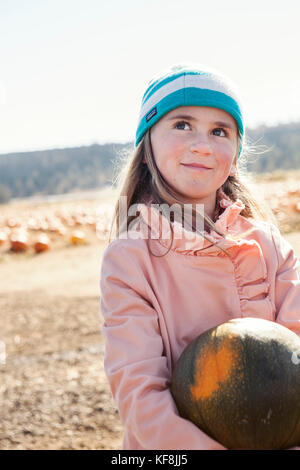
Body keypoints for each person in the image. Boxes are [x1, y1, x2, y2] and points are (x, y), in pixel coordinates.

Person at [99, 63, 300, 450]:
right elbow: (139, 395)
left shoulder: (270, 246)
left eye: (219, 131)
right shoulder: (129, 260)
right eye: (182, 125)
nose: (202, 145)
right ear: (146, 148)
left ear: (235, 154)